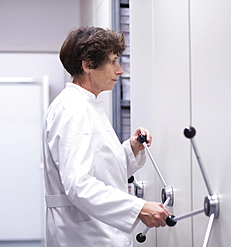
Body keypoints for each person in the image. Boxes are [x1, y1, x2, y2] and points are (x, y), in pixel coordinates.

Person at [42, 26, 169, 247]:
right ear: (88, 65)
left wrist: (130, 150)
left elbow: (98, 168)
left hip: (95, 231)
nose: (120, 70)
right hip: (86, 235)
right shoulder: (73, 108)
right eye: (112, 61)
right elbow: (79, 185)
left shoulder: (85, 104)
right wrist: (138, 208)